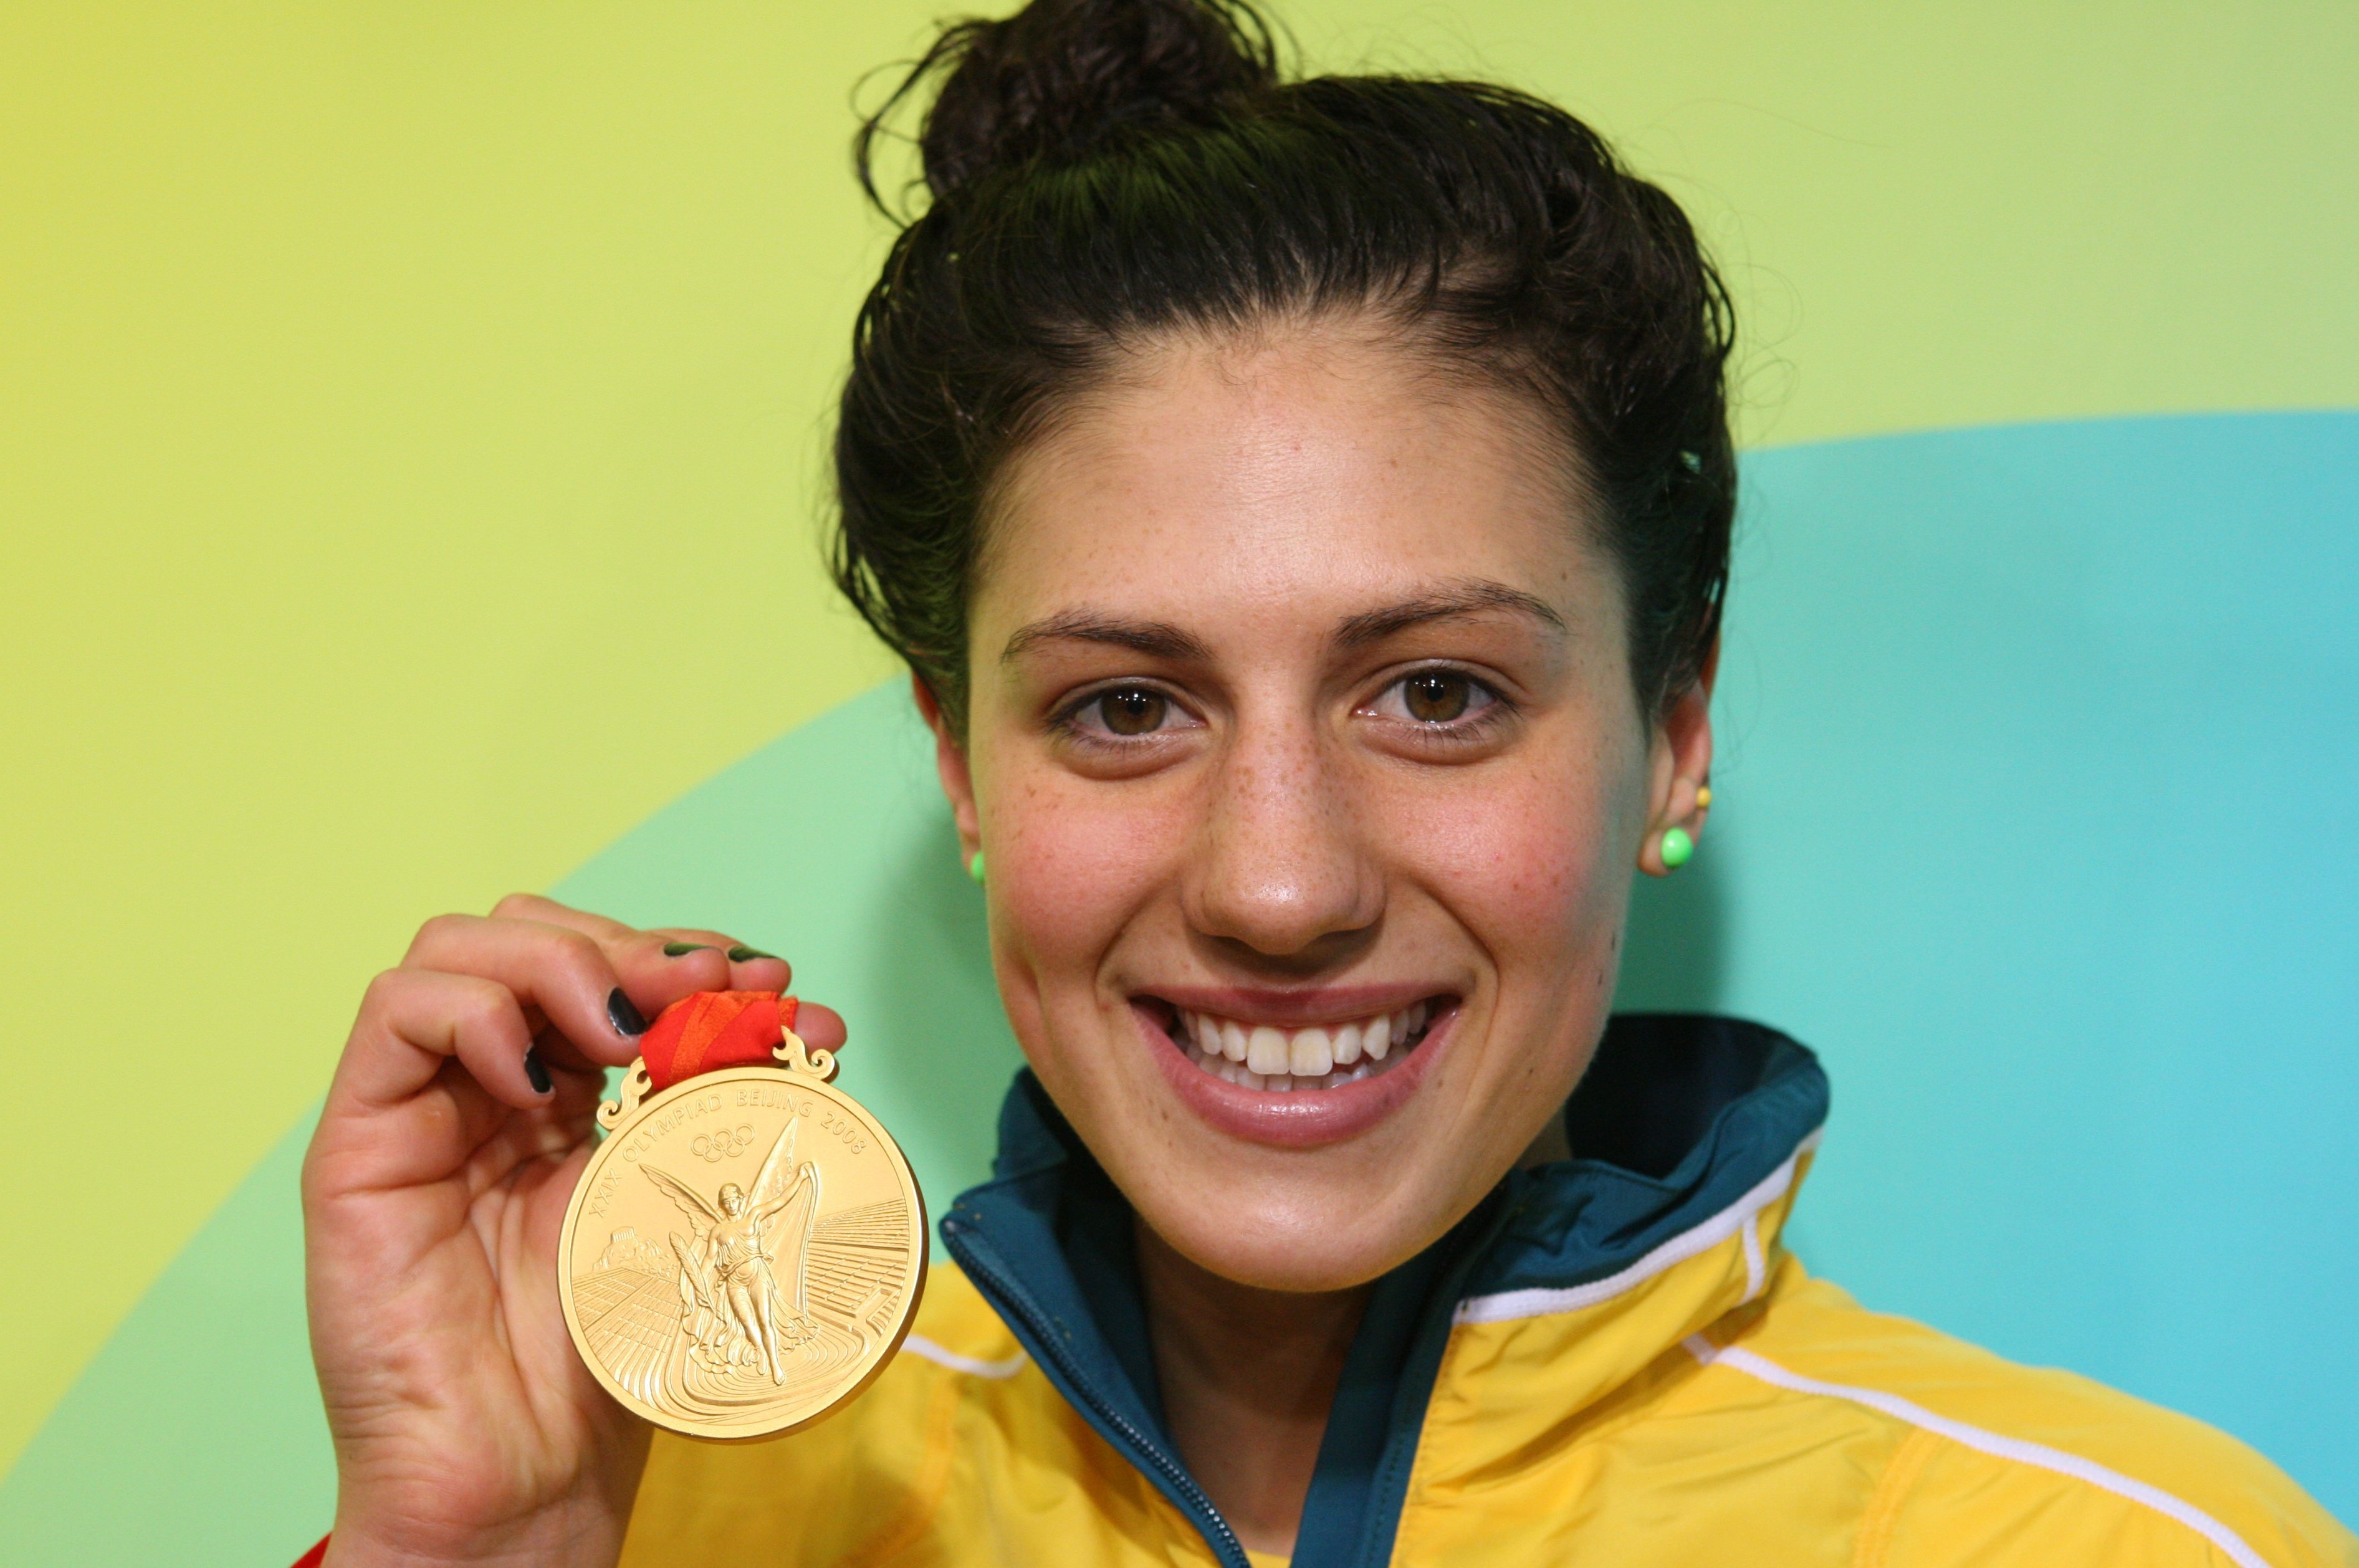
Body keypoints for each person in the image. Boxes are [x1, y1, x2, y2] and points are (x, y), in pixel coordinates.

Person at [298, 2, 2355, 1564]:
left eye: (1437, 690)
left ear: (1677, 725)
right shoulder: (675, 1505)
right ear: (960, 759)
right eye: (1123, 707)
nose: (1278, 884)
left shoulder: (2123, 1543)